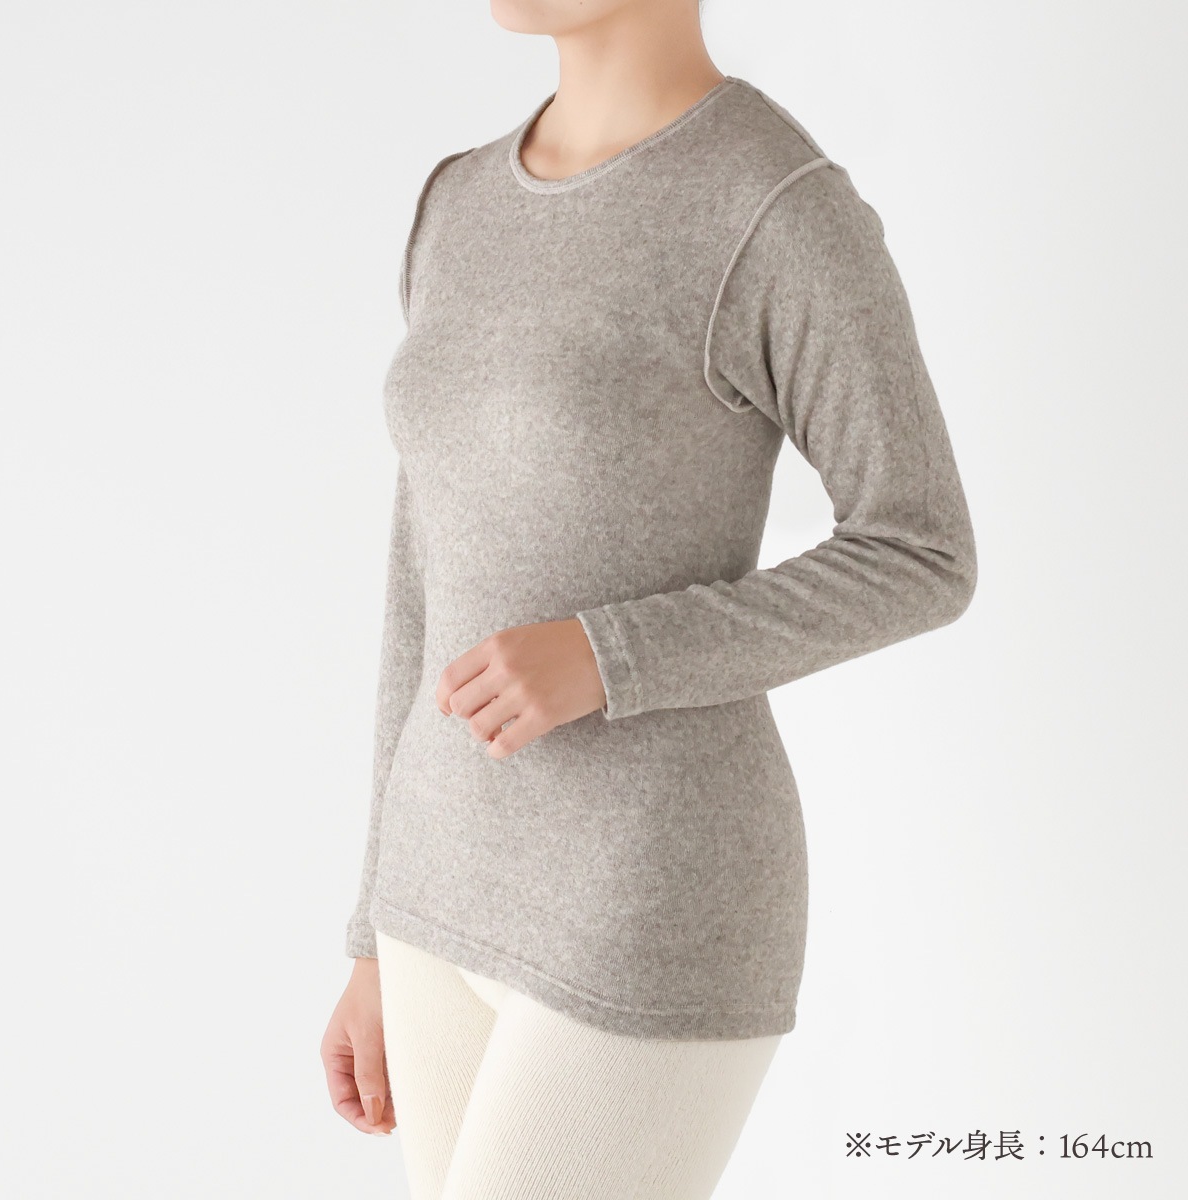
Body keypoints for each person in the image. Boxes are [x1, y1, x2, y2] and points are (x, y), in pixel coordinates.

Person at [320, 1, 978, 1195]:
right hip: (436, 886)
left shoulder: (775, 206)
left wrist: (610, 653)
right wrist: (374, 926)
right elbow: (420, 572)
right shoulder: (456, 202)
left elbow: (921, 549)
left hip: (650, 894)